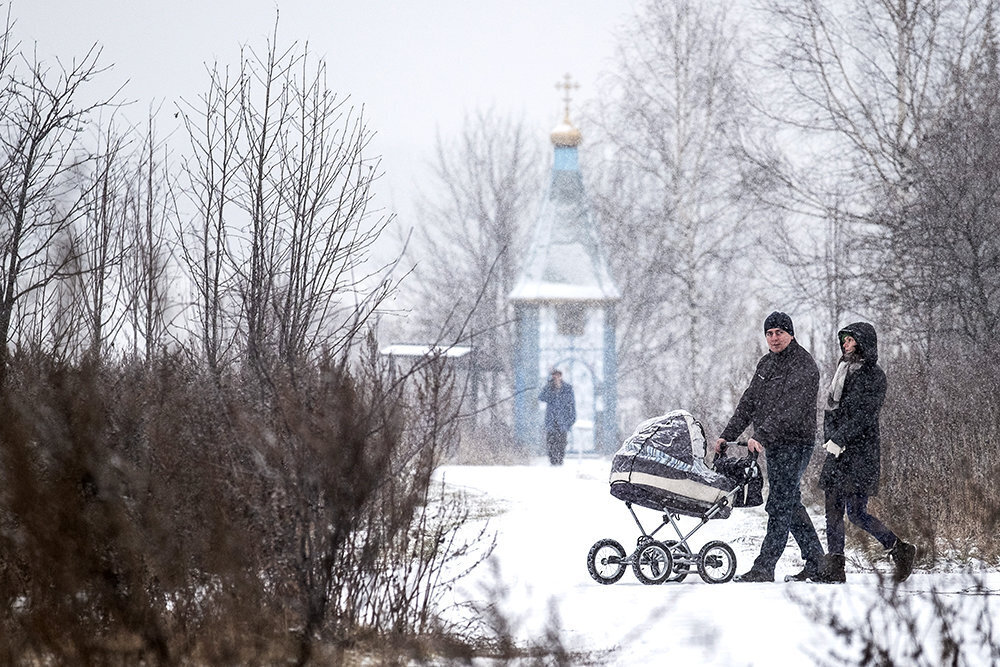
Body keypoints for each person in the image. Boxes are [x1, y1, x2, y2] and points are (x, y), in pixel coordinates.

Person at [715, 311, 826, 582]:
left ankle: (764, 567)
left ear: (791, 334)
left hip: (796, 443)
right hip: (773, 444)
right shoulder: (766, 364)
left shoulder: (803, 365)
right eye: (769, 333)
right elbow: (749, 402)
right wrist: (726, 435)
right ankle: (818, 563)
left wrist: (761, 434)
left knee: (778, 504)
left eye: (779, 332)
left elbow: (789, 409)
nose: (774, 338)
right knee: (789, 502)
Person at [816, 322, 916, 583]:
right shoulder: (842, 372)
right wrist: (831, 437)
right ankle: (835, 565)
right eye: (844, 341)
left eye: (850, 341)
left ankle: (901, 549)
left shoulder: (875, 376)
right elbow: (831, 409)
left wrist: (840, 437)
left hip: (861, 453)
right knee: (833, 508)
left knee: (856, 513)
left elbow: (864, 415)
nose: (845, 345)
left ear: (862, 343)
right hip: (839, 451)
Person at [538, 368, 576, 466]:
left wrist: (571, 419)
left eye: (558, 375)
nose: (556, 378)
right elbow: (542, 397)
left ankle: (560, 459)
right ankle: (552, 459)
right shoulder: (549, 388)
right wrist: (548, 386)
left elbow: (571, 404)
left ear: (561, 376)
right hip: (551, 419)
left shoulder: (567, 388)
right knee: (551, 441)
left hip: (563, 420)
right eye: (554, 376)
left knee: (562, 441)